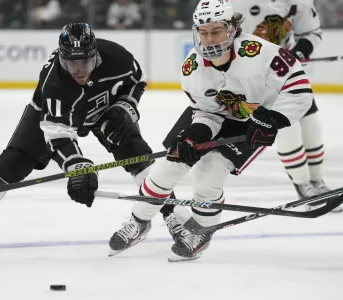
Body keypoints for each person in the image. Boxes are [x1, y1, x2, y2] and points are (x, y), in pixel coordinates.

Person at [109, 0, 313, 262]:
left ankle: (201, 230)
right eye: (203, 32)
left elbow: (298, 88)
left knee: (209, 172)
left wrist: (274, 119)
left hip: (256, 120)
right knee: (172, 163)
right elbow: (206, 112)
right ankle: (139, 220)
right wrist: (195, 137)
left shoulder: (261, 53)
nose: (208, 38)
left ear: (232, 29)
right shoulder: (193, 67)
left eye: (215, 30)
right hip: (212, 115)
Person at [0, 23, 157, 247]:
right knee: (10, 166)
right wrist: (77, 167)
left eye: (85, 61)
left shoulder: (116, 56)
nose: (80, 70)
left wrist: (124, 107)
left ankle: (172, 218)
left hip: (103, 108)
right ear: (62, 59)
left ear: (95, 55)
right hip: (49, 116)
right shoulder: (54, 82)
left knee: (137, 155)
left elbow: (137, 81)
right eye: (72, 64)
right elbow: (58, 133)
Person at [231, 0, 341, 212]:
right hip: (253, 77)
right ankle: (302, 185)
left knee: (311, 125)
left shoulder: (297, 2)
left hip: (286, 72)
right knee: (287, 129)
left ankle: (318, 183)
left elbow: (311, 32)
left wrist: (298, 53)